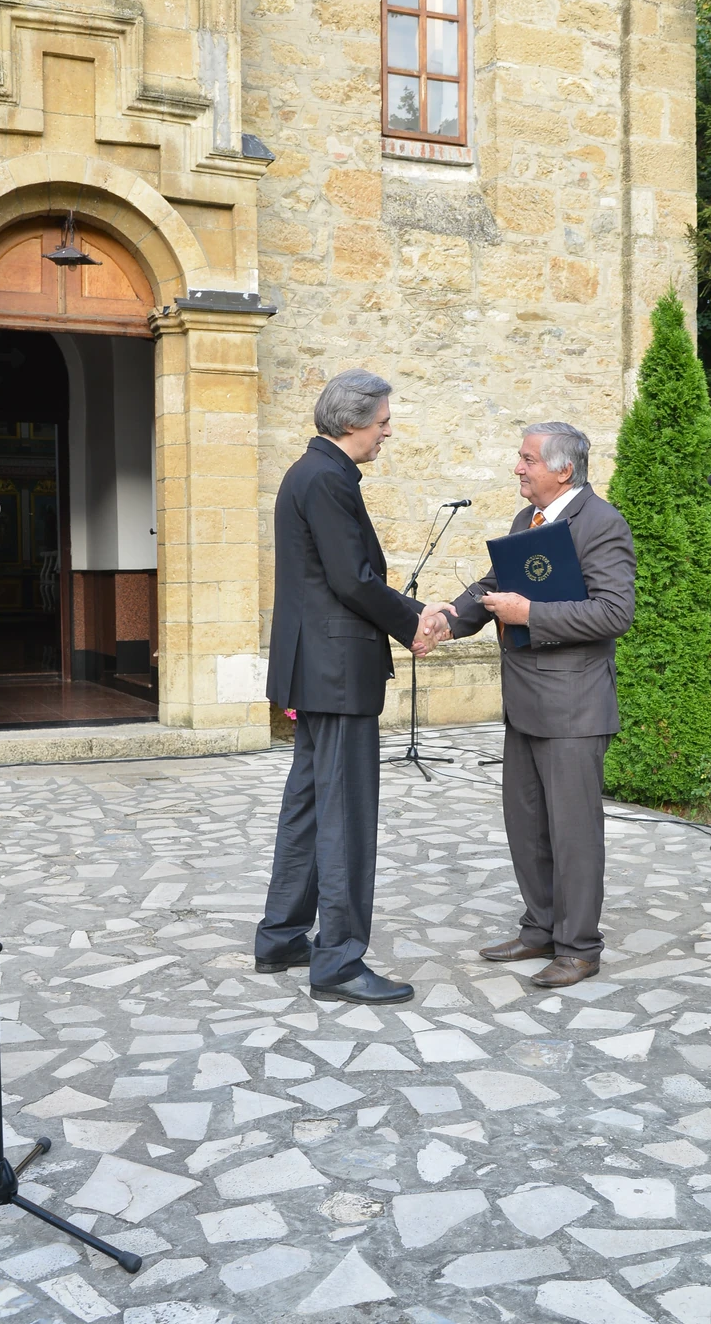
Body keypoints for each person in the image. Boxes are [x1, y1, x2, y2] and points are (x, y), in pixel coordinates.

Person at [255, 370, 455, 1006]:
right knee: (345, 817)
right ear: (351, 423)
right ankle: (338, 961)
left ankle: (283, 935)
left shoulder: (309, 473)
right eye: (383, 420)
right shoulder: (328, 479)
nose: (388, 430)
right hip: (337, 674)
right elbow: (353, 579)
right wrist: (413, 621)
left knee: (310, 804)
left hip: (318, 669)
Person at [422, 423, 635, 990]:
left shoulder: (602, 524)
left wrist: (530, 615)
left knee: (573, 832)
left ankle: (579, 947)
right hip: (525, 704)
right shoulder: (528, 522)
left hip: (574, 707)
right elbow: (496, 586)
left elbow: (615, 614)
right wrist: (448, 620)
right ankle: (540, 928)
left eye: (527, 459)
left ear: (563, 470)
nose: (517, 468)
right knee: (527, 825)